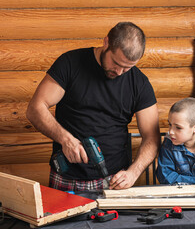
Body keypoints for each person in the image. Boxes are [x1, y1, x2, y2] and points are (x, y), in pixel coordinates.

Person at [27, 22, 160, 191]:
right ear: (106, 43)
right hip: (67, 176)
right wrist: (66, 140)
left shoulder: (139, 83)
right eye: (116, 63)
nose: (119, 72)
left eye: (127, 68)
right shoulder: (70, 63)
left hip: (114, 180)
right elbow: (35, 108)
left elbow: (152, 138)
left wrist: (133, 173)